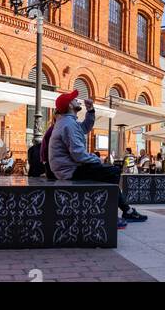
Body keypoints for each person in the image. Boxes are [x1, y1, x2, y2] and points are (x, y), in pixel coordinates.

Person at [47, 90, 147, 228]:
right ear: (70, 105)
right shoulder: (68, 124)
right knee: (112, 172)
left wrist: (90, 110)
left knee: (110, 172)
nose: (77, 100)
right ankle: (110, 215)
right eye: (74, 99)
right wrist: (97, 160)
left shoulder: (67, 122)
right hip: (69, 171)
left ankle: (126, 210)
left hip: (67, 168)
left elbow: (85, 128)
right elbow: (78, 154)